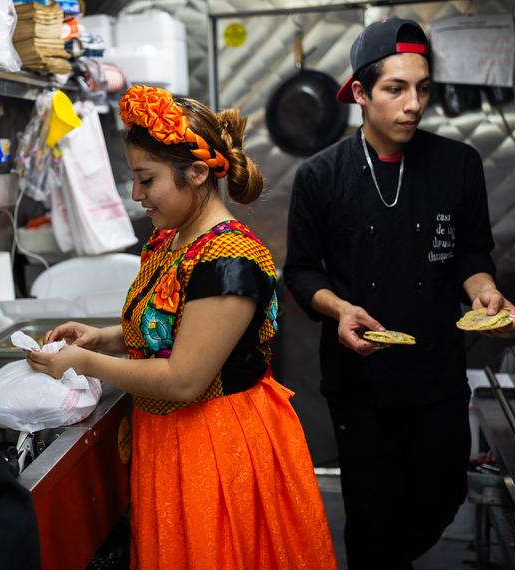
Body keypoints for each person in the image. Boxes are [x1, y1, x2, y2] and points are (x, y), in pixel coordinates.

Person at [26, 85, 336, 569]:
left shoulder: (228, 259)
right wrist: (102, 336)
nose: (136, 194)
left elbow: (185, 378)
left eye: (146, 179)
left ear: (195, 174)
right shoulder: (171, 240)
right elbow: (169, 327)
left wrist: (87, 363)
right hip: (169, 436)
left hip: (215, 443)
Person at [283, 17, 515, 569]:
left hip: (436, 371)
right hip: (359, 383)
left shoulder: (458, 165)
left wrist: (485, 293)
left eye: (423, 88)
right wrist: (339, 308)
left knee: (443, 496)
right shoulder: (321, 176)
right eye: (395, 89)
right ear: (361, 94)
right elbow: (301, 272)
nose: (413, 103)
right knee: (372, 517)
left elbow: (471, 254)